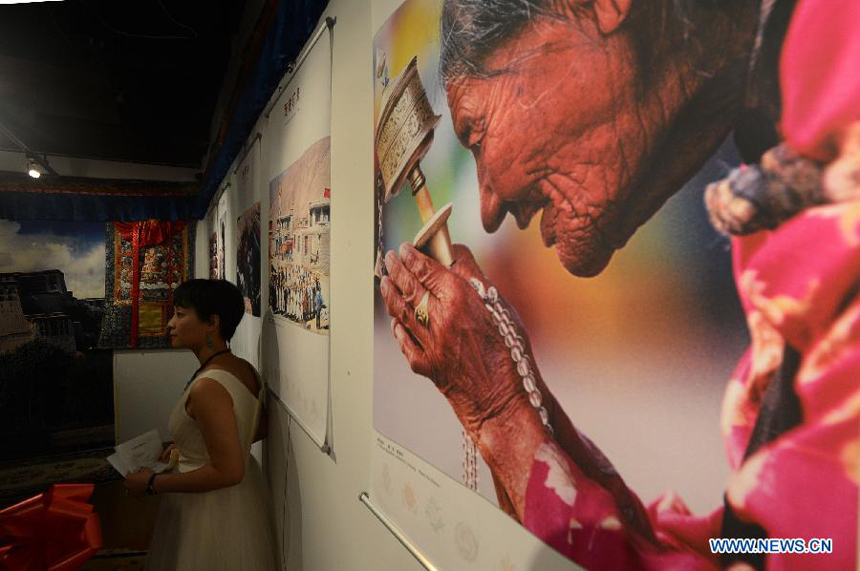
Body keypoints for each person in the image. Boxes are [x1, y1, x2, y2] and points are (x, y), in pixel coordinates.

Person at [379, 0, 859, 568]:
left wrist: (502, 417)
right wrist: (512, 399)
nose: (488, 207)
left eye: (477, 132)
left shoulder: (838, 130)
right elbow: (760, 542)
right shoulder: (790, 160)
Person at [124, 279, 276, 570]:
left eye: (180, 315)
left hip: (211, 510)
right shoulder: (244, 369)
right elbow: (254, 430)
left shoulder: (208, 386)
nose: (170, 324)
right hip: (239, 503)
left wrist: (153, 483)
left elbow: (229, 471)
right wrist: (189, 448)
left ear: (212, 323)